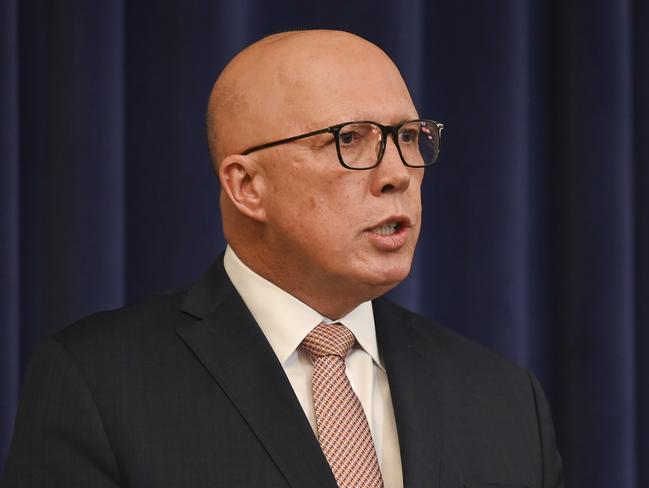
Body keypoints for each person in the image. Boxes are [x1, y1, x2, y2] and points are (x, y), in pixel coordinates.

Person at [1, 30, 564, 487]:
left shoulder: (505, 400)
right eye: (352, 139)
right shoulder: (100, 384)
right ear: (247, 186)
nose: (398, 174)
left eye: (409, 137)